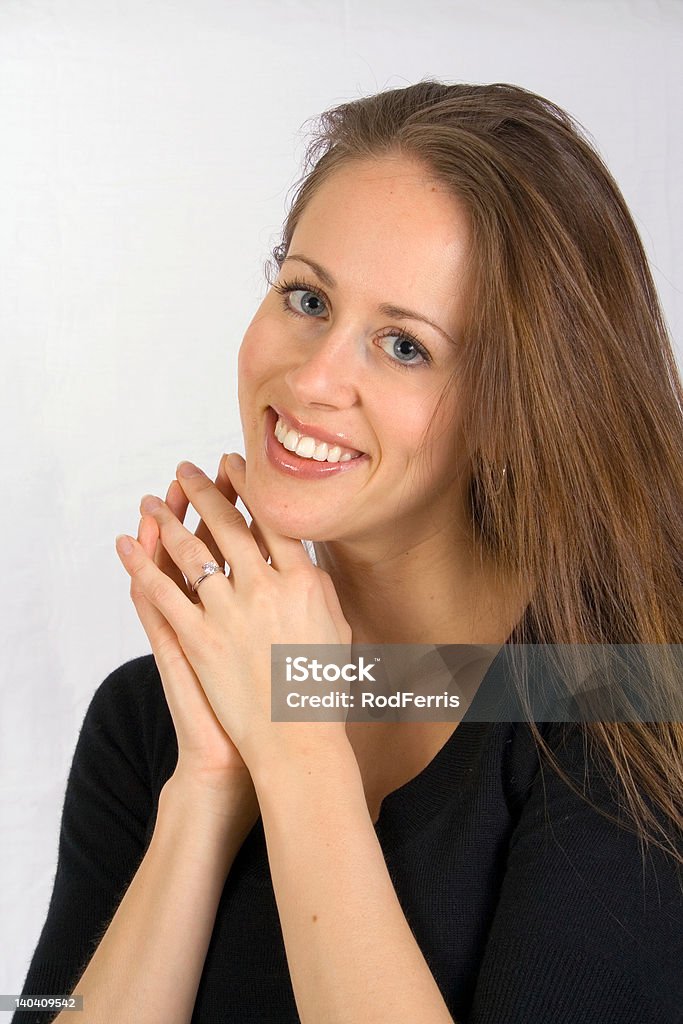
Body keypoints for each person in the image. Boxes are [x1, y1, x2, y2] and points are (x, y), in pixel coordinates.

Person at [12, 80, 683, 1024]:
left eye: (404, 346)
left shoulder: (620, 715)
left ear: (516, 406)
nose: (315, 376)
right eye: (306, 296)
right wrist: (208, 785)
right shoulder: (150, 718)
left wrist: (296, 752)